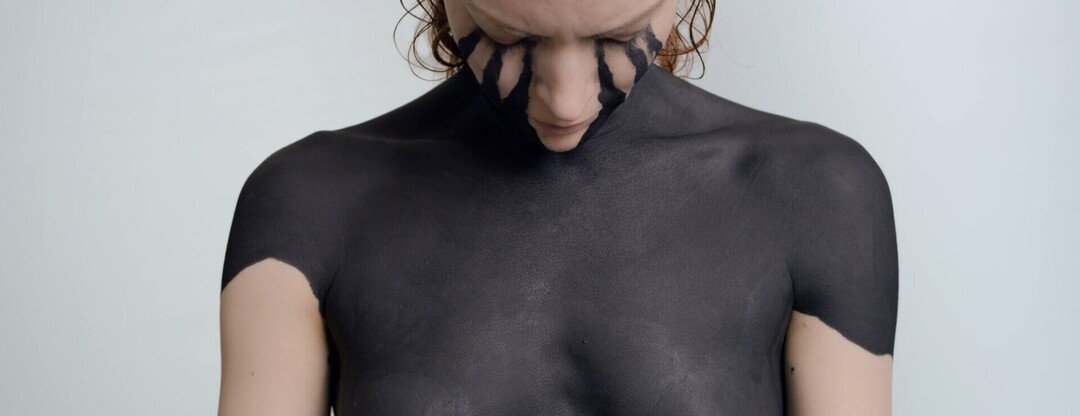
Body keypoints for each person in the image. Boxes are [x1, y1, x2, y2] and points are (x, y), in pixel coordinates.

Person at [218, 0, 898, 414]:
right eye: (510, 38)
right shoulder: (309, 205)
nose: (566, 100)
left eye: (616, 37)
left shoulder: (816, 193)